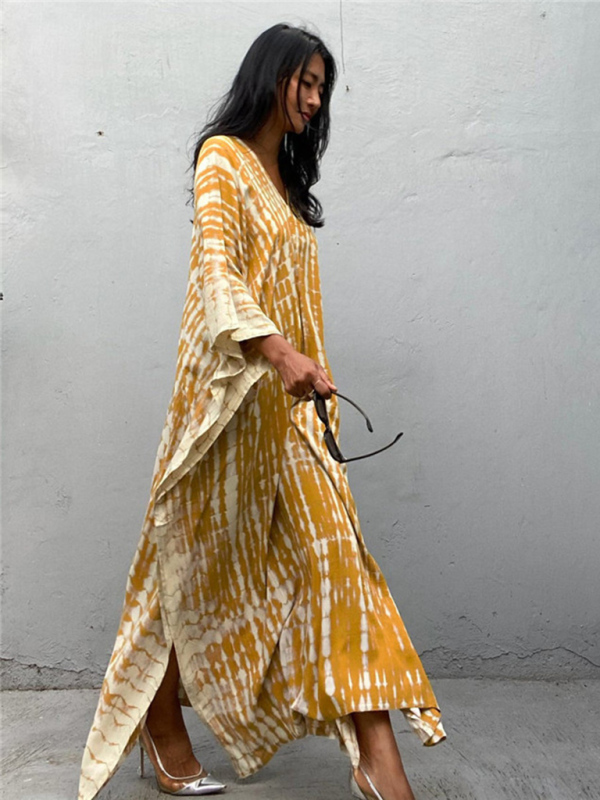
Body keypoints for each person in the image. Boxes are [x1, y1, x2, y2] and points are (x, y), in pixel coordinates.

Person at [78, 22, 445, 800]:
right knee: (191, 569)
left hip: (292, 418)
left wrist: (308, 376)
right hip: (225, 408)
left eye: (322, 88)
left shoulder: (288, 184)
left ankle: (381, 765)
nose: (313, 99)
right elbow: (217, 274)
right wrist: (278, 354)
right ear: (268, 77)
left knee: (337, 558)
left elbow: (298, 300)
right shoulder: (224, 158)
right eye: (303, 82)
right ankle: (161, 725)